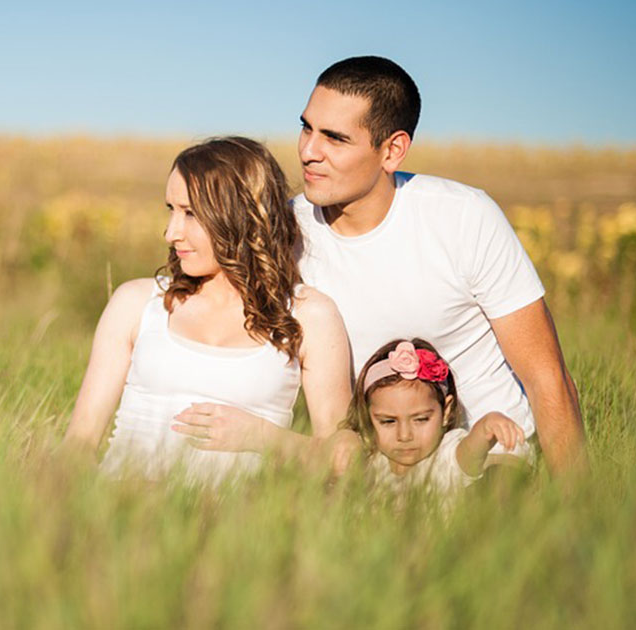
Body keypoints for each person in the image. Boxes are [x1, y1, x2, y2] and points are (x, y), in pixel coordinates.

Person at [175, 56, 586, 476]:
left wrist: (576, 512)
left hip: (487, 458)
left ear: (392, 151)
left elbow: (546, 377)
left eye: (335, 138)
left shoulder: (464, 217)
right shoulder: (283, 232)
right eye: (306, 128)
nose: (309, 151)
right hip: (370, 465)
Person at [61, 137, 351, 485]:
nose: (171, 232)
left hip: (239, 529)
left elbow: (346, 459)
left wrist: (262, 436)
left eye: (191, 213)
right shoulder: (137, 303)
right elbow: (78, 445)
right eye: (171, 209)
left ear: (242, 214)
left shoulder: (309, 315)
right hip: (124, 516)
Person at [345, 338, 526, 497]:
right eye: (388, 421)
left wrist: (486, 426)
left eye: (421, 419)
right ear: (367, 416)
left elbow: (470, 452)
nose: (405, 435)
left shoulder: (446, 456)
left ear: (446, 411)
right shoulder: (371, 459)